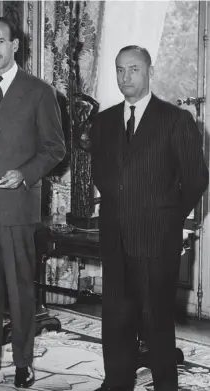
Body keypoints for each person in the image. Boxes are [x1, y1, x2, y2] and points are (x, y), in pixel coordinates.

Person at [89, 45, 208, 391]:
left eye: (134, 69)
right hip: (115, 238)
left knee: (156, 323)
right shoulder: (105, 121)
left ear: (149, 71)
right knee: (116, 320)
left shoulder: (175, 120)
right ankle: (117, 383)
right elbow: (102, 173)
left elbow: (197, 178)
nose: (126, 78)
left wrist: (170, 217)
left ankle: (165, 386)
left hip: (157, 240)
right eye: (120, 70)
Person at [0, 17, 66, 389]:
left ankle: (22, 362)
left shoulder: (39, 91)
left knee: (20, 288)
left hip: (18, 204)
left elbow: (55, 148)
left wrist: (24, 173)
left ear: (15, 45)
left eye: (0, 42)